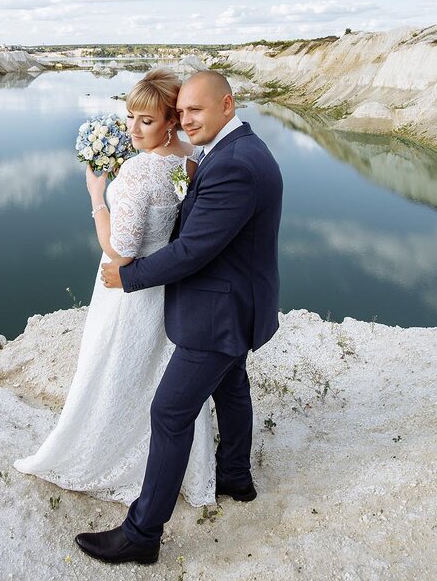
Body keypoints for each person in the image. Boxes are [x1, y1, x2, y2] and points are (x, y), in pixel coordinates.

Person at [76, 70, 283, 565]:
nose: (187, 121)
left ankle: (142, 534)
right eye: (183, 111)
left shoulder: (234, 164)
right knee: (232, 387)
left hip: (219, 313)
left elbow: (192, 250)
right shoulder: (231, 151)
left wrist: (128, 278)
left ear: (227, 105)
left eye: (197, 111)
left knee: (170, 414)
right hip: (237, 303)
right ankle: (236, 477)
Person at [14, 68, 216, 508]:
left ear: (170, 121)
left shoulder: (139, 173)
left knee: (113, 364)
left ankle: (107, 451)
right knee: (158, 370)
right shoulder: (191, 160)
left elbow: (120, 251)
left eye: (146, 120)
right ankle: (173, 461)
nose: (133, 128)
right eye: (129, 117)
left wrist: (95, 197)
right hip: (167, 284)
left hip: (128, 288)